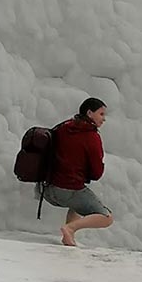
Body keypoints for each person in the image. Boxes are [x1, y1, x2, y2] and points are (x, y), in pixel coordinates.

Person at [41, 97, 113, 246]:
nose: (104, 119)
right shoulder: (91, 136)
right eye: (101, 114)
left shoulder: (63, 127)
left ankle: (69, 236)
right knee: (106, 218)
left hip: (48, 189)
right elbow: (96, 173)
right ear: (89, 113)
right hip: (68, 190)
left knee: (78, 203)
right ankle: (70, 228)